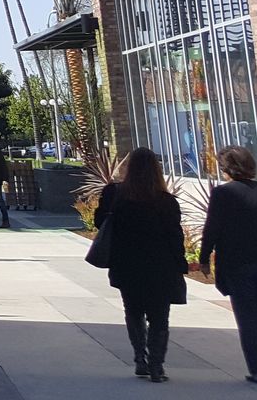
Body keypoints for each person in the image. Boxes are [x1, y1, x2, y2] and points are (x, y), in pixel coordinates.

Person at [94, 147, 187, 382]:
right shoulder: (166, 201)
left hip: (126, 263)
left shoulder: (115, 194)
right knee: (159, 317)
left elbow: (99, 222)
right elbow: (175, 236)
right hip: (160, 265)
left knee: (133, 311)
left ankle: (140, 359)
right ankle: (156, 365)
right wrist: (181, 264)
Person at [199, 145, 257, 385]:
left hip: (237, 264)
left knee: (247, 318)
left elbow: (212, 228)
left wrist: (204, 258)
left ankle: (256, 370)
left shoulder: (223, 194)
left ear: (227, 168)